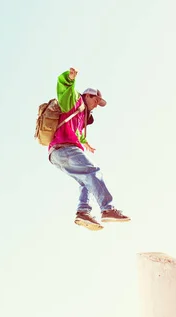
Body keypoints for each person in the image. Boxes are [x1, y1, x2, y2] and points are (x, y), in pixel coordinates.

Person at [48, 67, 130, 231]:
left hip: (57, 155)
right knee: (93, 172)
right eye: (95, 100)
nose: (96, 105)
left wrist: (86, 143)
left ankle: (83, 212)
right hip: (65, 149)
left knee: (85, 181)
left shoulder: (80, 116)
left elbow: (78, 133)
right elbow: (64, 89)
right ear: (87, 95)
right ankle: (107, 208)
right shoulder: (74, 100)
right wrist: (69, 79)